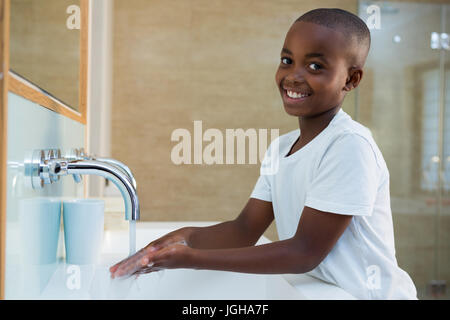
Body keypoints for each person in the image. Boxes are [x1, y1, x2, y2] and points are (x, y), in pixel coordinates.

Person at [109, 8, 417, 300]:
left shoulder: (349, 146)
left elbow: (305, 252)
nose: (293, 76)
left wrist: (193, 258)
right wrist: (182, 237)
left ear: (351, 79)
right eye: (287, 60)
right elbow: (244, 230)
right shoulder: (281, 149)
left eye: (315, 66)